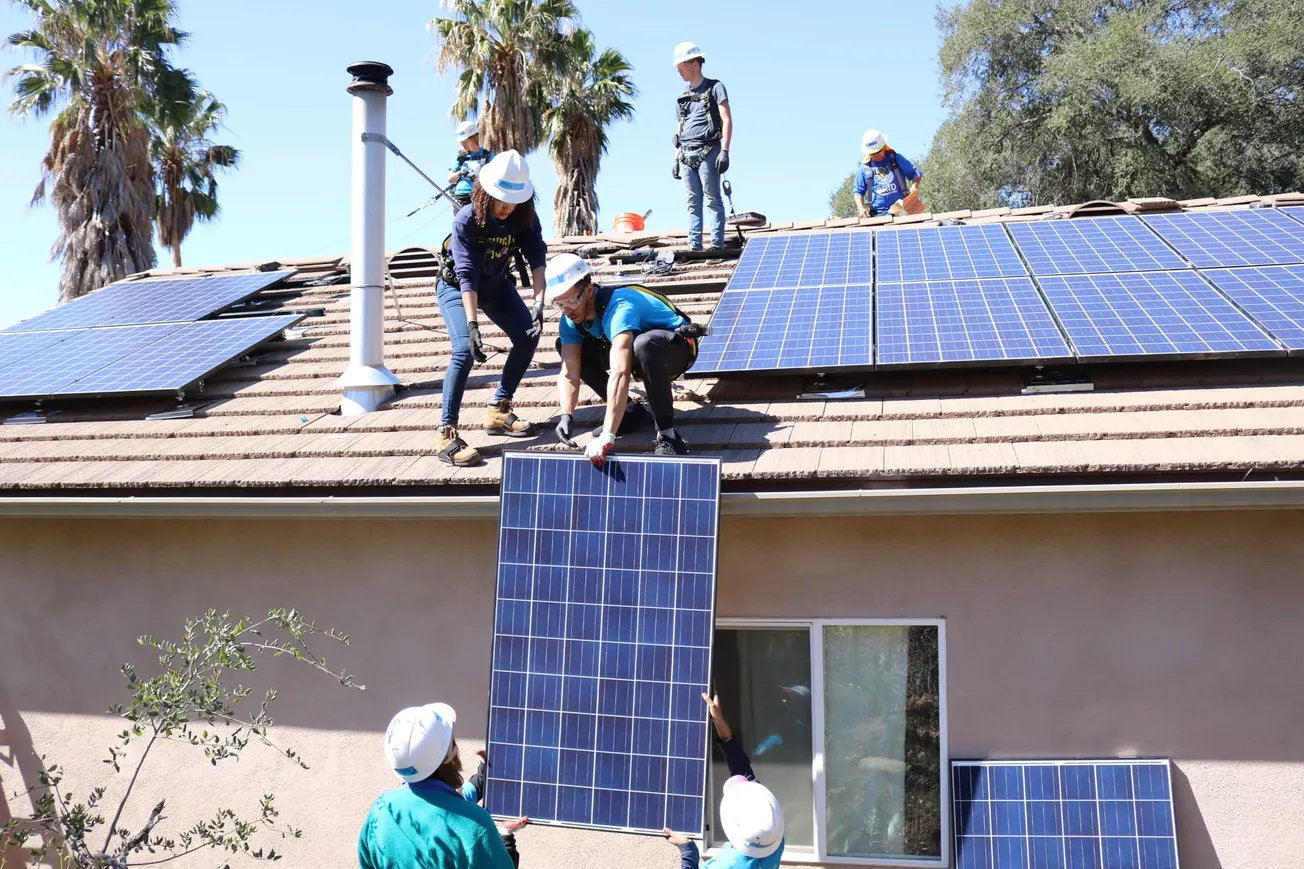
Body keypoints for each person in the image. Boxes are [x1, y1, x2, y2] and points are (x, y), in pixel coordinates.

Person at [434, 149, 547, 467]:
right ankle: (447, 432)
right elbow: (466, 274)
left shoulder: (523, 218)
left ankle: (499, 410)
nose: (505, 207)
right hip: (457, 287)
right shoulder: (466, 219)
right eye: (500, 200)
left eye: (512, 202)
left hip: (497, 286)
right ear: (485, 194)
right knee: (463, 350)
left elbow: (537, 260)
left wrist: (538, 305)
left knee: (527, 336)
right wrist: (472, 326)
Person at [544, 253, 703, 463]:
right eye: (559, 304)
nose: (566, 310)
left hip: (677, 348)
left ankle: (668, 436)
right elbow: (569, 372)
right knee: (568, 346)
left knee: (645, 343)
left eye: (571, 300)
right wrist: (567, 415)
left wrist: (607, 436)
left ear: (589, 290)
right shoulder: (570, 318)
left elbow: (620, 373)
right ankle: (630, 413)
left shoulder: (619, 307)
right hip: (637, 354)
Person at [358, 703, 526, 869]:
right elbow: (456, 814)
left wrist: (484, 770)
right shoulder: (477, 825)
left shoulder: (382, 808)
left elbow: (448, 803)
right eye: (452, 742)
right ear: (448, 757)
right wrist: (505, 838)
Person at [664, 691, 786, 869]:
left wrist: (688, 851)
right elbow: (743, 771)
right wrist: (719, 720)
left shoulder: (726, 865)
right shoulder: (772, 839)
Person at [671, 41, 732, 252]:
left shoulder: (715, 88)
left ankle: (716, 245)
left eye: (682, 65)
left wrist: (724, 151)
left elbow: (726, 118)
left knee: (713, 198)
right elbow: (681, 130)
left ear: (695, 63)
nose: (679, 69)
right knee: (692, 201)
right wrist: (675, 158)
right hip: (687, 153)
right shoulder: (682, 98)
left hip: (708, 151)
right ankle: (694, 246)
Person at [853, 129, 922, 218]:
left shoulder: (896, 159)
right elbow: (858, 191)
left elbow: (915, 173)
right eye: (872, 153)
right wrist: (861, 209)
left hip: (901, 211)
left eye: (878, 152)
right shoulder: (865, 168)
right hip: (878, 215)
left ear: (884, 147)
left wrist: (915, 185)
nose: (876, 155)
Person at [448, 121, 494, 210]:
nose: (462, 144)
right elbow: (450, 179)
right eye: (461, 142)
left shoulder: (489, 156)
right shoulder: (460, 157)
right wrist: (460, 173)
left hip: (481, 197)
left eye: (465, 141)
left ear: (474, 138)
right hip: (461, 198)